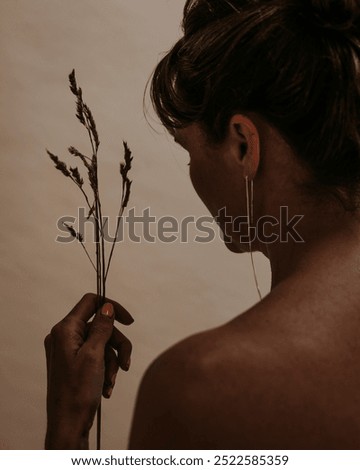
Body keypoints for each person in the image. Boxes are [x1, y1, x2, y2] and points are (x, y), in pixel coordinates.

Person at [44, 0, 360, 449]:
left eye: (188, 150)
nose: (192, 169)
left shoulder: (204, 386)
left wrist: (67, 427)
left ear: (242, 145)